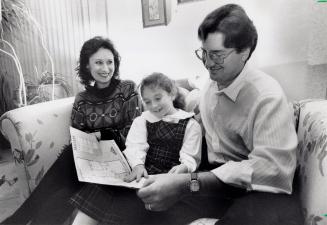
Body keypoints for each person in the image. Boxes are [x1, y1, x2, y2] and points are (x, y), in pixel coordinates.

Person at [134, 4, 303, 225]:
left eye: (217, 55)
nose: (207, 63)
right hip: (217, 183)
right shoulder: (211, 83)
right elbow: (191, 97)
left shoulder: (266, 96)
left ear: (244, 52)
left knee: (262, 215)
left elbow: (272, 172)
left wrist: (188, 183)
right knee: (151, 208)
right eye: (203, 53)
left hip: (262, 189)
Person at [3, 36, 142, 225]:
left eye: (110, 62)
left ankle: (18, 219)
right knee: (64, 189)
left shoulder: (127, 89)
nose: (105, 68)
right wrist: (91, 144)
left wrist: (103, 135)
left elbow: (133, 135)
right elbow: (77, 138)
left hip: (123, 159)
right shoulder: (82, 99)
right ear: (87, 66)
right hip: (91, 161)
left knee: (69, 166)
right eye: (98, 62)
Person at [70, 72, 202, 225]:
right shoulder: (143, 120)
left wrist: (184, 167)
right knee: (100, 187)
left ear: (172, 94)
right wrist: (138, 165)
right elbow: (135, 146)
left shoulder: (190, 124)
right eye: (148, 101)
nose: (154, 105)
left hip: (166, 179)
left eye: (158, 98)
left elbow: (191, 155)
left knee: (132, 202)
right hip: (140, 172)